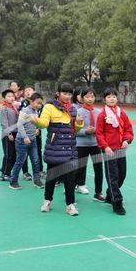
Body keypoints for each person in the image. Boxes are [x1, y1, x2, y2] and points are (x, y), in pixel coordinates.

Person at [32, 83, 84, 216]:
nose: (67, 96)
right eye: (64, 93)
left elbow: (75, 130)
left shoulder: (73, 109)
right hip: (55, 148)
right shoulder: (49, 107)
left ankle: (70, 205)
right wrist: (35, 121)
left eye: (69, 94)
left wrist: (79, 123)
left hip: (69, 149)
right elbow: (43, 124)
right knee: (51, 177)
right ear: (58, 93)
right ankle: (47, 201)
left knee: (69, 179)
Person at [96, 87, 134, 215]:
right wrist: (105, 147)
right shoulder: (102, 115)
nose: (111, 99)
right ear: (104, 100)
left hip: (121, 150)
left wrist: (126, 140)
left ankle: (109, 194)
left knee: (121, 175)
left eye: (113, 96)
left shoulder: (121, 113)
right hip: (109, 151)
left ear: (117, 98)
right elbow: (99, 134)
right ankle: (117, 203)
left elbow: (128, 129)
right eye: (108, 97)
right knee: (113, 177)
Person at [9, 93, 44, 190]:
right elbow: (19, 125)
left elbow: (35, 122)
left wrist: (37, 129)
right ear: (31, 102)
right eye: (38, 103)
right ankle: (13, 181)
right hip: (21, 141)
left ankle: (36, 181)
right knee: (20, 161)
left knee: (35, 161)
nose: (39, 105)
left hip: (32, 140)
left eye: (41, 104)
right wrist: (25, 137)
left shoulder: (35, 111)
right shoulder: (25, 111)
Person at [75, 87, 105, 202]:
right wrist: (85, 131)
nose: (90, 99)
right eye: (87, 96)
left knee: (98, 168)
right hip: (81, 145)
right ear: (82, 98)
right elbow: (74, 131)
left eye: (92, 96)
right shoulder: (78, 112)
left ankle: (98, 193)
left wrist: (96, 130)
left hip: (95, 144)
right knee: (79, 168)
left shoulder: (99, 112)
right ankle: (75, 186)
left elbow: (102, 129)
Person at [0, 89, 18, 181]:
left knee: (14, 154)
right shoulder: (4, 108)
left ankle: (7, 171)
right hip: (7, 134)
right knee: (8, 154)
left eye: (12, 96)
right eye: (9, 96)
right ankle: (4, 174)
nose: (11, 98)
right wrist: (9, 133)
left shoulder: (14, 107)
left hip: (15, 133)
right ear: (4, 98)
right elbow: (4, 123)